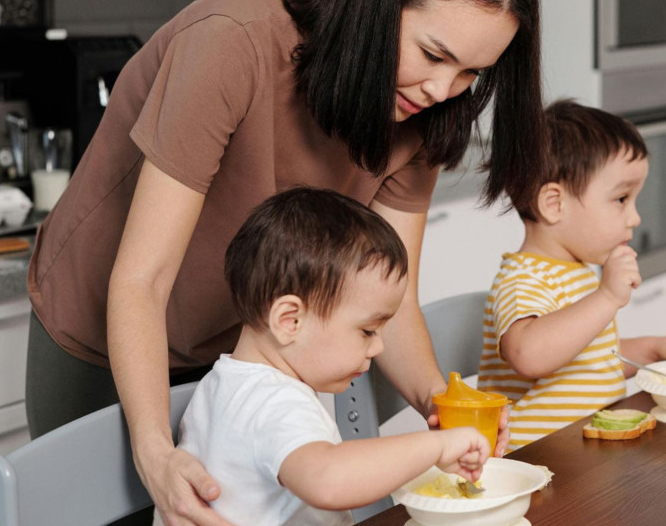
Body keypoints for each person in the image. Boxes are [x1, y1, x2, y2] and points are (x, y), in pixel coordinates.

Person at [24, 0, 543, 526]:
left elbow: (393, 297)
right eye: (433, 55)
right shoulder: (232, 42)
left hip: (249, 347)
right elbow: (141, 280)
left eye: (471, 73)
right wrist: (156, 450)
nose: (442, 89)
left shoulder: (422, 115)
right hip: (111, 331)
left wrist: (442, 403)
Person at [173, 187, 490, 526]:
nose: (378, 347)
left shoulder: (221, 385)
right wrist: (438, 447)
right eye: (367, 331)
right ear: (289, 320)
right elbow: (328, 478)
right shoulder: (275, 402)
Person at [477, 100, 666, 451]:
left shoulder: (577, 271)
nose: (635, 217)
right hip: (533, 461)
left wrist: (656, 350)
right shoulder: (524, 279)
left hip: (584, 459)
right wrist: (606, 297)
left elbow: (592, 360)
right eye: (622, 199)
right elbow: (529, 355)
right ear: (554, 204)